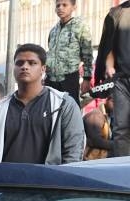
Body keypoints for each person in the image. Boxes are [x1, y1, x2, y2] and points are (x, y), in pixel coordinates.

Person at [0, 44, 85, 163]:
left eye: (32, 63)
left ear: (43, 69)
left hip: (48, 180)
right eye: (19, 63)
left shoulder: (64, 105)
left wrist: (62, 181)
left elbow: (73, 154)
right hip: (7, 180)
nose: (24, 67)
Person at [96, 0, 130, 156]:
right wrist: (110, 67)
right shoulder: (117, 13)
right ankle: (122, 171)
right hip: (122, 79)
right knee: (121, 128)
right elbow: (109, 45)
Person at [46, 0, 93, 105]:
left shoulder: (80, 27)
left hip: (69, 78)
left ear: (74, 7)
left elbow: (87, 54)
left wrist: (87, 78)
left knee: (70, 109)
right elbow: (50, 53)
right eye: (58, 5)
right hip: (51, 79)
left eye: (64, 5)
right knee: (50, 110)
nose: (60, 8)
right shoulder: (53, 31)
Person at [84, 84, 115, 159]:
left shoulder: (108, 115)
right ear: (107, 100)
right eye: (114, 101)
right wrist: (120, 145)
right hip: (90, 160)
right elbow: (95, 141)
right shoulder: (96, 116)